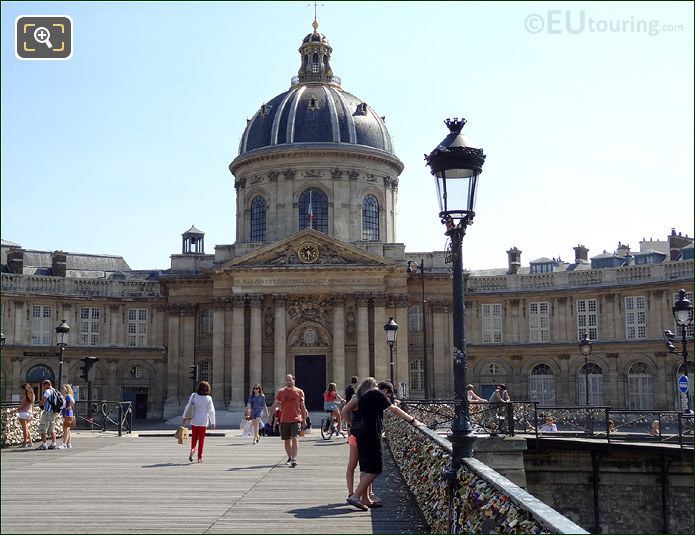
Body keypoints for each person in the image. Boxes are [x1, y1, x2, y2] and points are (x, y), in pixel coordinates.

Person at [345, 379, 422, 511]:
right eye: (388, 396)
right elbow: (394, 409)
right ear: (386, 391)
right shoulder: (376, 394)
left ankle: (365, 498)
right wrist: (413, 420)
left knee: (365, 467)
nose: (386, 399)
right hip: (371, 436)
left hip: (362, 436)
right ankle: (356, 496)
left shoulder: (364, 396)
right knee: (376, 468)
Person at [341, 377, 378, 505]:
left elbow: (344, 413)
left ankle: (362, 495)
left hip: (358, 435)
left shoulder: (361, 399)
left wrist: (352, 424)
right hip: (361, 435)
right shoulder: (359, 399)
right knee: (361, 466)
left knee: (359, 465)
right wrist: (353, 423)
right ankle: (355, 495)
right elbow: (343, 412)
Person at [268, 374, 307, 468]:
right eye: (287, 380)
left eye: (290, 380)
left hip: (296, 418)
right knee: (286, 440)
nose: (289, 382)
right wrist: (270, 416)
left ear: (293, 380)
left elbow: (303, 407)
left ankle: (294, 459)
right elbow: (275, 404)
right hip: (284, 419)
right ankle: (289, 457)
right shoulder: (281, 392)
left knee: (295, 438)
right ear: (285, 381)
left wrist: (304, 420)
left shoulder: (299, 392)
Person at [182, 381, 216, 463]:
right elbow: (211, 411)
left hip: (194, 420)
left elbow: (188, 406)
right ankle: (199, 457)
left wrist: (184, 417)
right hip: (203, 421)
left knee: (194, 438)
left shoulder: (194, 396)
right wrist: (213, 422)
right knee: (201, 440)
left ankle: (192, 449)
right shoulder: (208, 398)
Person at [36, 380, 59, 450]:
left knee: (43, 428)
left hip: (47, 412)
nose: (42, 387)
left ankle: (44, 444)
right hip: (54, 413)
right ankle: (54, 444)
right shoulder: (55, 391)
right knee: (52, 428)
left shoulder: (47, 391)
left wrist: (40, 404)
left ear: (46, 385)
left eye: (43, 386)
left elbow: (43, 400)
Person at [17, 383, 35, 448]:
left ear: (25, 389)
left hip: (23, 413)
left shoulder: (25, 397)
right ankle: (30, 442)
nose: (22, 391)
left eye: (22, 389)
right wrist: (32, 414)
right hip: (29, 413)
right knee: (27, 429)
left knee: (25, 429)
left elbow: (22, 406)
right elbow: (32, 406)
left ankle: (25, 443)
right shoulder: (33, 396)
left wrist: (14, 411)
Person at [59, 384, 76, 449]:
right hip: (66, 413)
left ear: (66, 389)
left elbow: (73, 401)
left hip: (68, 414)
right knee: (67, 429)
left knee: (65, 429)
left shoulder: (68, 396)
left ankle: (64, 444)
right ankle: (68, 443)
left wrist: (69, 406)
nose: (62, 390)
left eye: (63, 389)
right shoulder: (65, 396)